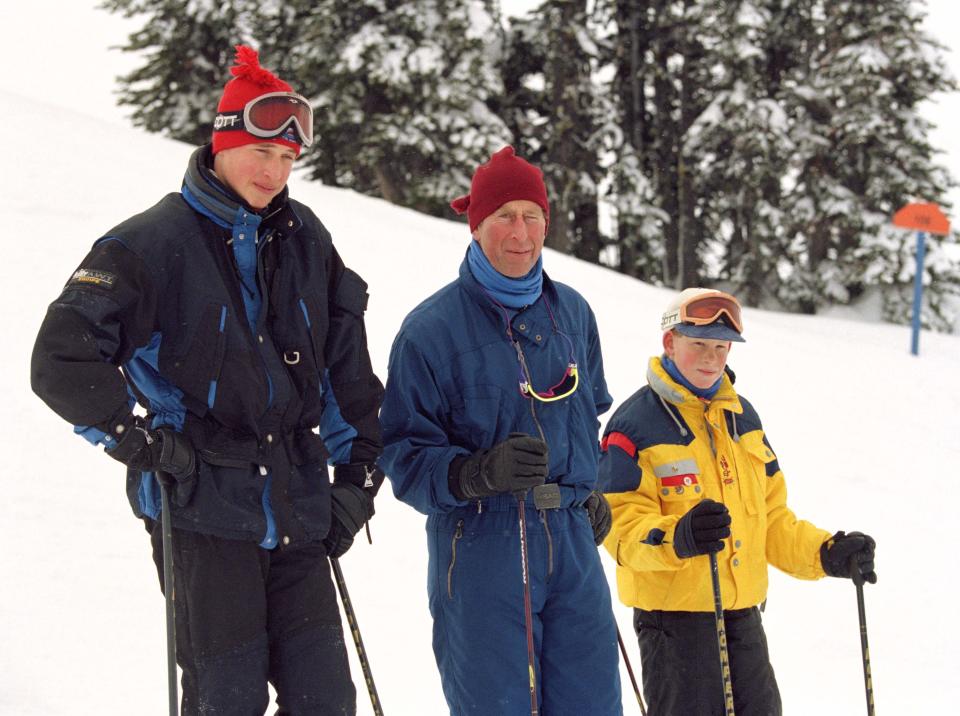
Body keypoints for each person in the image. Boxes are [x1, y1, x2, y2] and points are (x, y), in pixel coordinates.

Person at [31, 45, 385, 714]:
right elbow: (60, 356)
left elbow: (348, 372)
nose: (274, 172)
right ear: (221, 144)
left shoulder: (306, 238)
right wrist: (132, 438)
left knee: (327, 702)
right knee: (228, 699)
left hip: (298, 505)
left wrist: (357, 480)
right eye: (261, 153)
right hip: (199, 509)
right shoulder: (149, 243)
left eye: (288, 159)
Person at [378, 146, 623, 715]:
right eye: (504, 217)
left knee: (593, 705)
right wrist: (474, 472)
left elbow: (590, 419)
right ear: (477, 225)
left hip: (571, 542)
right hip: (481, 542)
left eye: (531, 215)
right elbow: (405, 457)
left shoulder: (575, 315)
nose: (521, 231)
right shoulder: (429, 332)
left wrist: (589, 493)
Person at [598, 287, 877, 715]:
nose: (711, 359)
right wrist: (679, 538)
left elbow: (770, 519)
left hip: (743, 616)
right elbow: (617, 529)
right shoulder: (635, 424)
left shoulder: (742, 418)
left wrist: (827, 553)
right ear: (670, 343)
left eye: (720, 348)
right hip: (674, 625)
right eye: (698, 345)